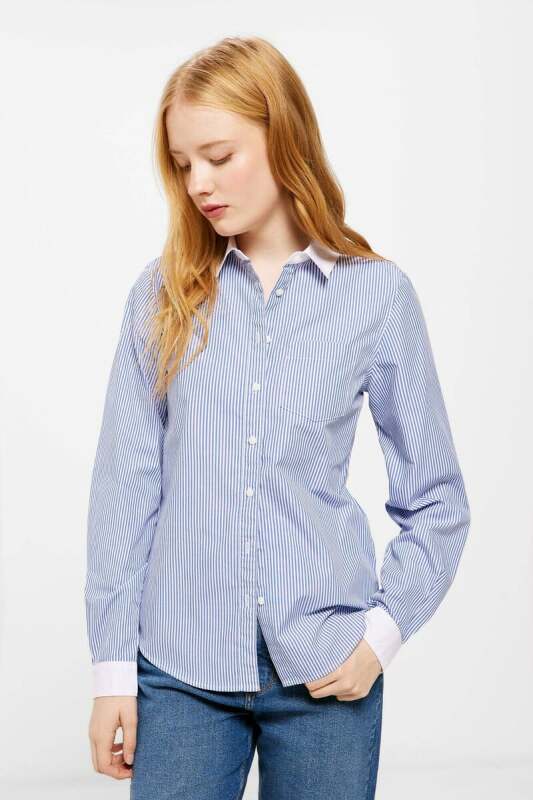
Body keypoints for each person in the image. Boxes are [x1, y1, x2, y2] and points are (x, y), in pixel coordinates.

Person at [85, 36, 471, 800]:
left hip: (326, 667)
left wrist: (379, 638)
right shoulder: (160, 297)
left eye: (218, 156)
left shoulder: (377, 297)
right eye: (182, 163)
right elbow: (125, 491)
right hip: (180, 672)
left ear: (282, 136)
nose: (197, 183)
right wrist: (111, 672)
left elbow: (436, 500)